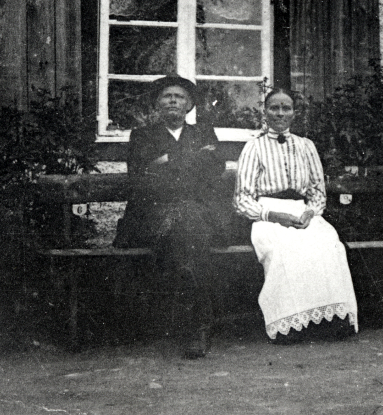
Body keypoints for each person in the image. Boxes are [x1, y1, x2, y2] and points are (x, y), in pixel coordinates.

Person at [113, 74, 227, 358]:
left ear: (189, 104)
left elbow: (214, 171)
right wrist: (192, 159)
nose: (173, 101)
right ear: (157, 104)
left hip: (193, 213)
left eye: (179, 97)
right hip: (153, 214)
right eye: (167, 96)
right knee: (188, 231)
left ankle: (193, 325)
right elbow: (142, 180)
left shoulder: (203, 132)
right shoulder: (142, 136)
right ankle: (198, 325)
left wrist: (165, 161)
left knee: (187, 228)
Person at [234, 89, 358, 343]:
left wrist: (311, 212)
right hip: (267, 214)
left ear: (294, 113)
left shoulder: (306, 146)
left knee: (328, 244)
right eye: (274, 108)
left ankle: (329, 320)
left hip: (302, 211)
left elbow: (317, 192)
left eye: (286, 108)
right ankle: (290, 325)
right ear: (265, 112)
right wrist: (272, 214)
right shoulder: (253, 147)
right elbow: (242, 198)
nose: (280, 113)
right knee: (284, 249)